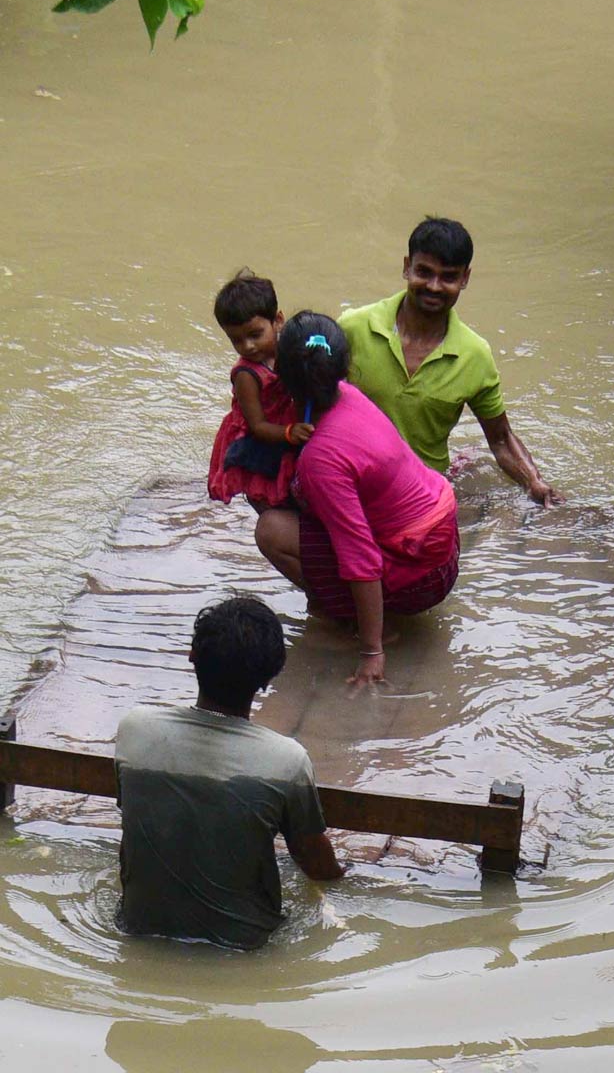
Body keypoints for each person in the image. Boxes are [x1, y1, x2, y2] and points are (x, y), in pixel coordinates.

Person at [115, 596, 343, 950]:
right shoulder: (286, 761)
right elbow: (315, 864)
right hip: (243, 945)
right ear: (268, 678)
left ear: (192, 657)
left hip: (137, 929)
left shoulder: (135, 731)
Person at [255, 312, 460, 688]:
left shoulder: (322, 460)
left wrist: (371, 650)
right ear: (342, 368)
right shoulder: (350, 396)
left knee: (271, 530)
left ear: (281, 376)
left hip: (423, 575)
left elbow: (360, 556)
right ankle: (353, 612)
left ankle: (359, 624)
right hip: (443, 543)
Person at [338, 217, 563, 507]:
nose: (434, 286)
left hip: (422, 493)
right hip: (351, 481)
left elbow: (501, 439)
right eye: (424, 272)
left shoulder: (475, 355)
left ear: (465, 279)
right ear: (407, 267)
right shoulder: (353, 328)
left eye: (448, 277)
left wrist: (533, 481)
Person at [208, 269, 314, 511]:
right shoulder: (247, 375)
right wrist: (289, 433)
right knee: (269, 499)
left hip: (283, 427)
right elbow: (257, 426)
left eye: (255, 335)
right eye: (236, 340)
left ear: (278, 320)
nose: (248, 346)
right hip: (260, 439)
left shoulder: (288, 348)